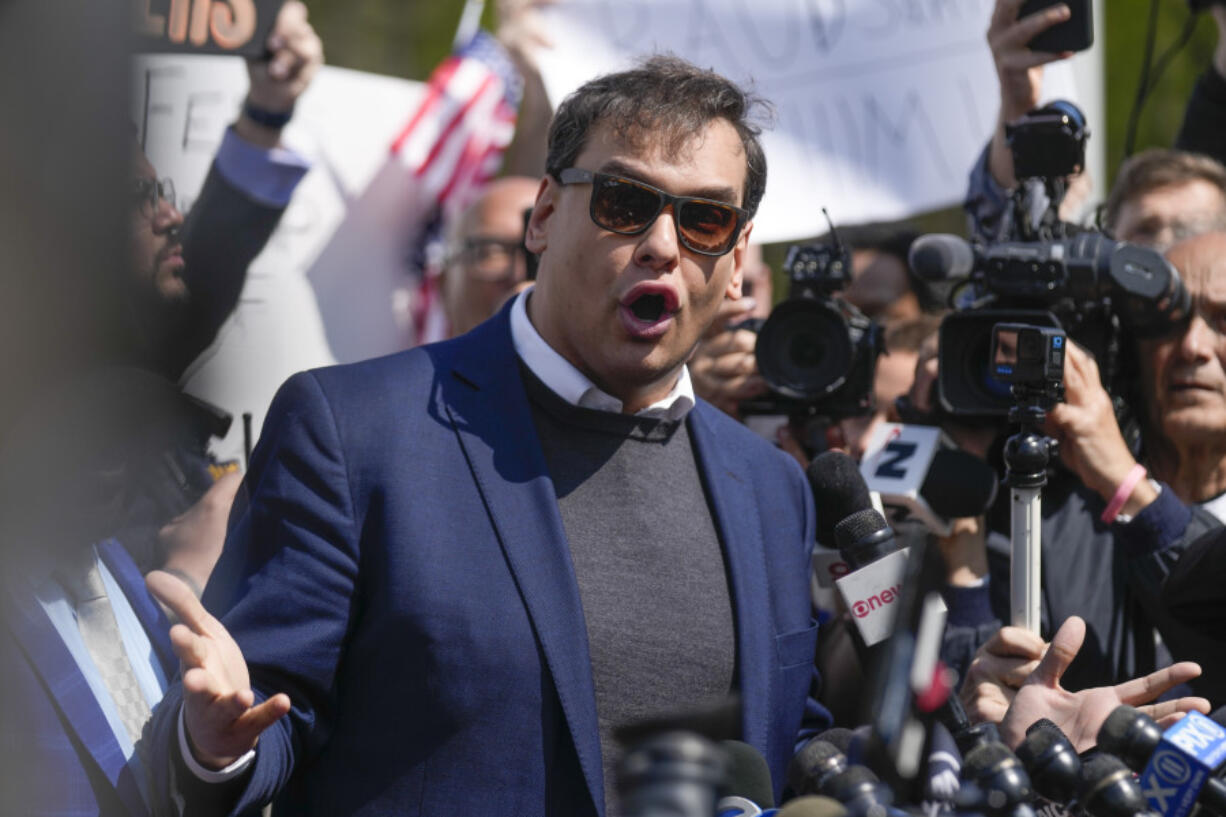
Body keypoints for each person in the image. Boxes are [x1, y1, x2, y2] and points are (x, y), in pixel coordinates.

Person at [145, 56, 830, 817]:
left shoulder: (773, 488)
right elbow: (265, 712)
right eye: (625, 201)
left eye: (704, 218)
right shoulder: (351, 429)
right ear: (542, 216)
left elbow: (784, 742)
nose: (662, 245)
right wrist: (217, 747)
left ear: (736, 261)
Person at [0, 6, 322, 814]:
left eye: (164, 192)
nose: (171, 215)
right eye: (142, 200)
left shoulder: (136, 364)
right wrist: (185, 574)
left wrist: (268, 111)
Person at [437, 175, 540, 338]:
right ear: (444, 282)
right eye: (493, 253)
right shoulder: (403, 363)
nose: (518, 276)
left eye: (539, 256)